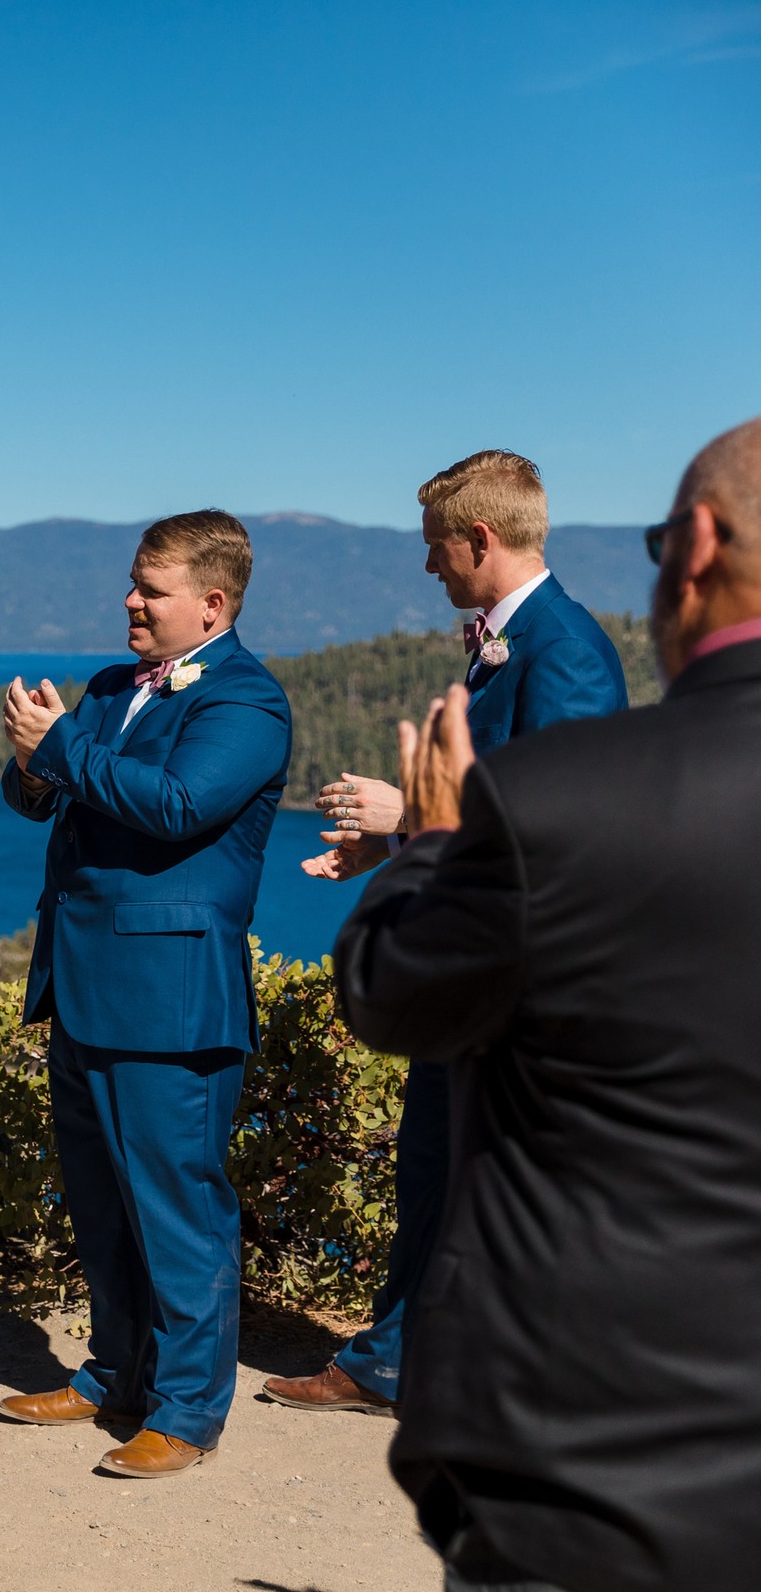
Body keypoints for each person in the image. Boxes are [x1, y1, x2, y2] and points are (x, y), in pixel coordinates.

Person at [331, 416, 761, 1592]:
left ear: (690, 549)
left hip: (606, 1492)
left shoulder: (575, 768)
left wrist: (431, 849)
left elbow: (393, 992)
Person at [270, 451, 627, 1417]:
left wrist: (410, 817)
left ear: (480, 539)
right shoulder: (507, 642)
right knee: (432, 1163)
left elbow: (563, 826)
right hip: (469, 967)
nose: (429, 568)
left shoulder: (568, 653)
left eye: (436, 548)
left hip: (517, 978)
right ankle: (396, 1360)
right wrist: (389, 851)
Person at [0, 510, 292, 1477]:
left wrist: (61, 752)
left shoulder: (245, 702)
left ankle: (189, 1408)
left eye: (150, 589)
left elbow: (176, 807)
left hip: (170, 994)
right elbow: (43, 791)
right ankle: (115, 1370)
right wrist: (30, 760)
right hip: (81, 984)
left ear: (211, 603)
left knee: (177, 1206)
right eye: (131, 582)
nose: (129, 600)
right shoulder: (112, 687)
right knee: (101, 1200)